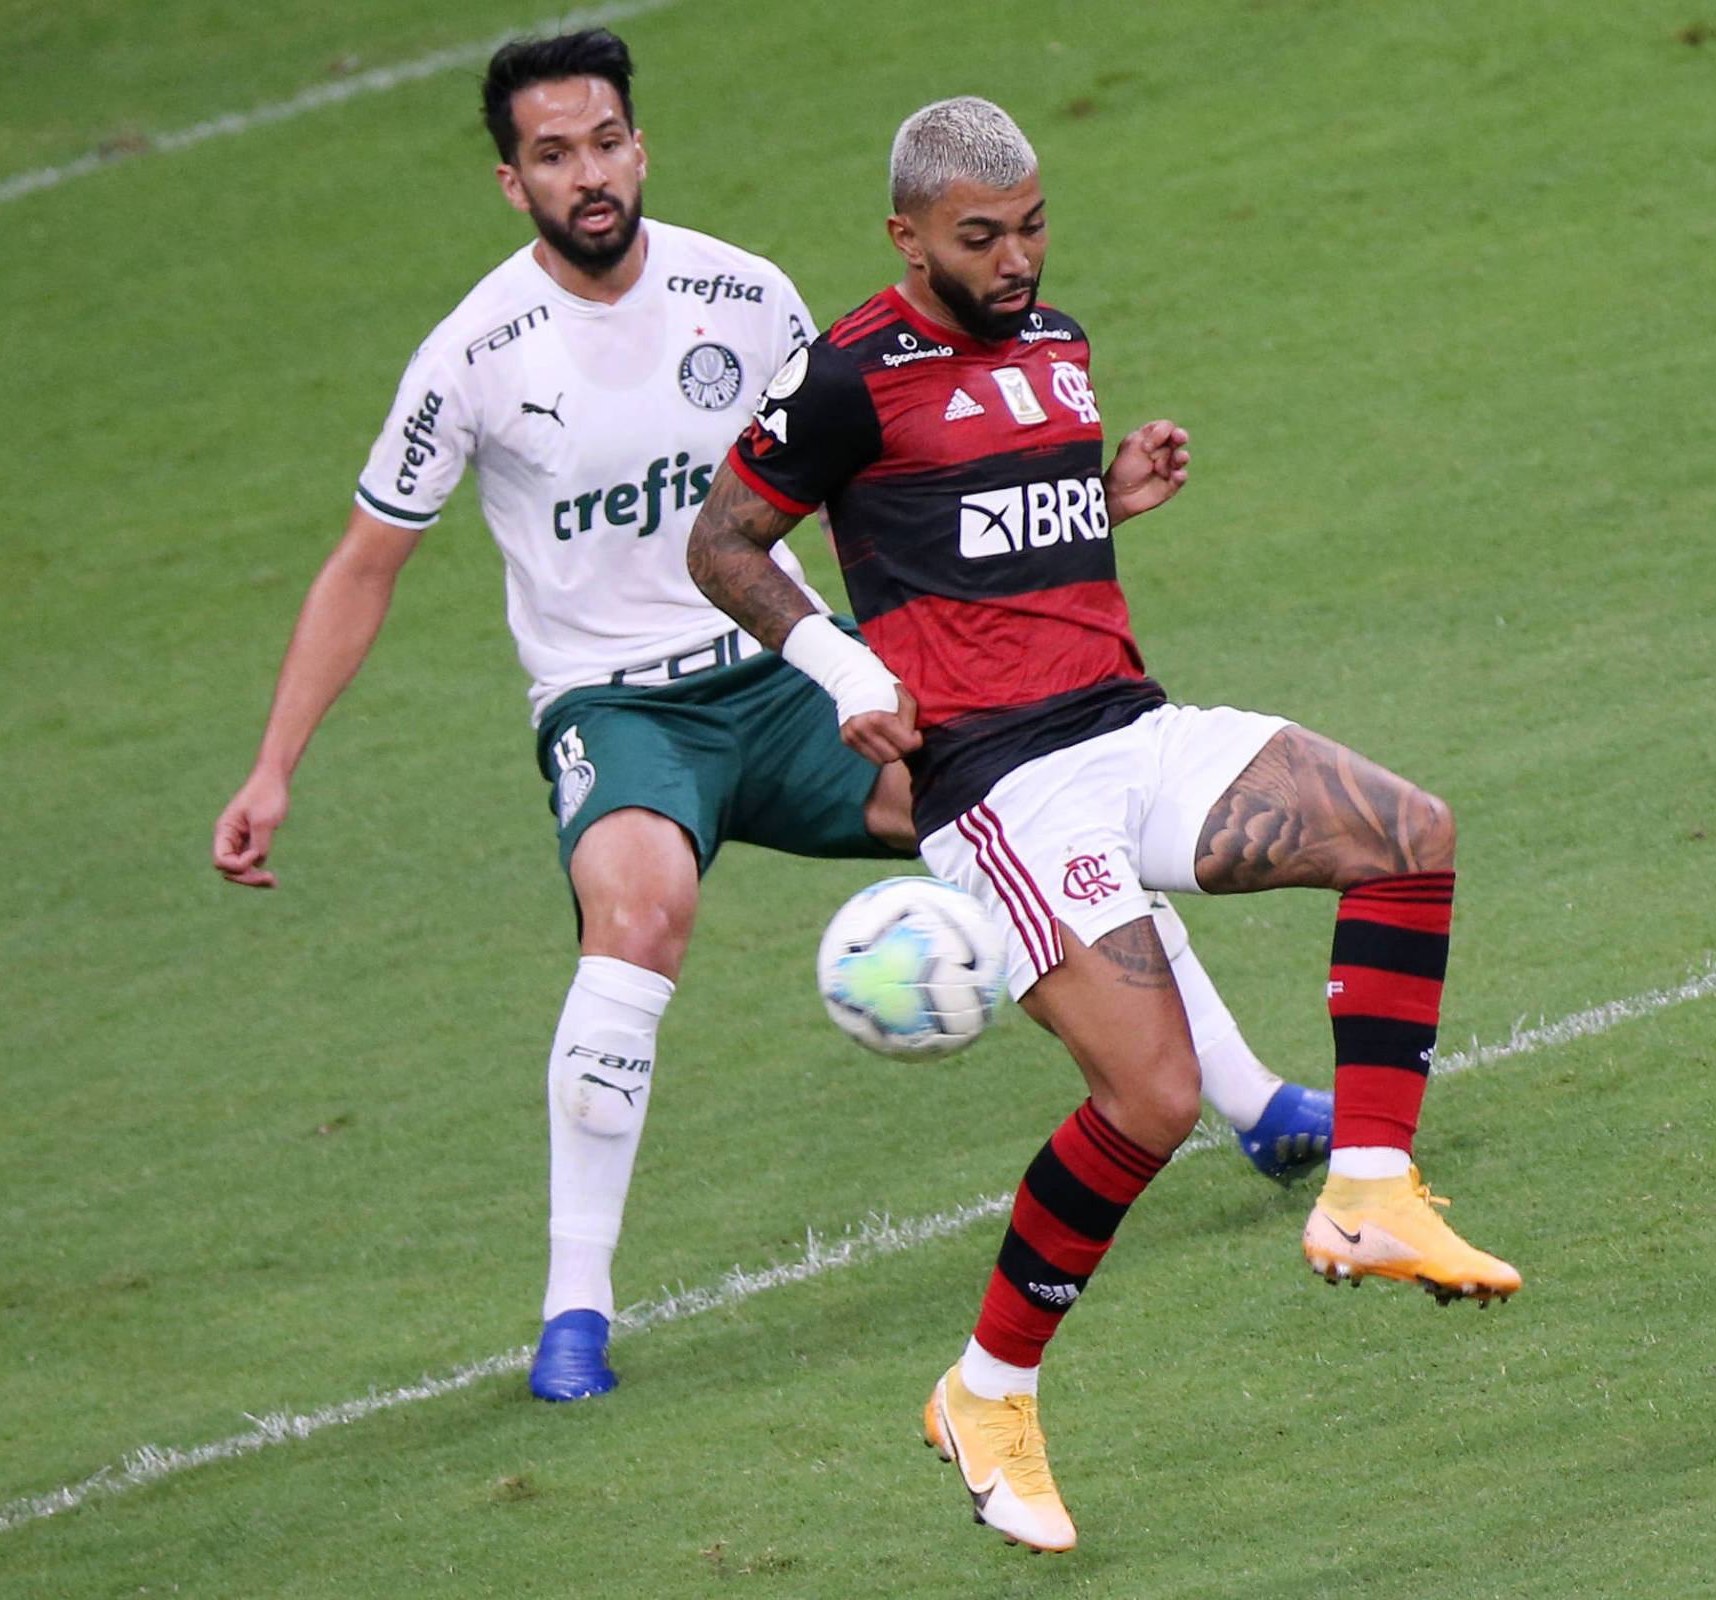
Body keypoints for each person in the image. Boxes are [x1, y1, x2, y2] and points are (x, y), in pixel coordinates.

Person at [211, 35, 1330, 1408]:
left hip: (798, 673)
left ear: (641, 147)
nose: (591, 172)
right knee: (639, 915)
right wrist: (275, 765)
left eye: (607, 140)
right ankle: (575, 1308)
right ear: (514, 182)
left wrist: (1086, 502)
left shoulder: (742, 296)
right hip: (621, 707)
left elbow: (908, 469)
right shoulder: (472, 357)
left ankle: (1259, 1105)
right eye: (555, 154)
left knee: (1052, 789)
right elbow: (364, 564)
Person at [687, 97, 1520, 1551]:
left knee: (1409, 830)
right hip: (1001, 786)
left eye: (1031, 227)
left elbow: (985, 537)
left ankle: (1372, 1191)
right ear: (907, 238)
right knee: (1148, 1098)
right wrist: (846, 671)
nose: (1016, 261)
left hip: (1127, 724)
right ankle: (987, 1393)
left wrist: (1102, 501)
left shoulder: (1055, 345)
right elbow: (720, 542)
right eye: (979, 238)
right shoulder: (844, 375)